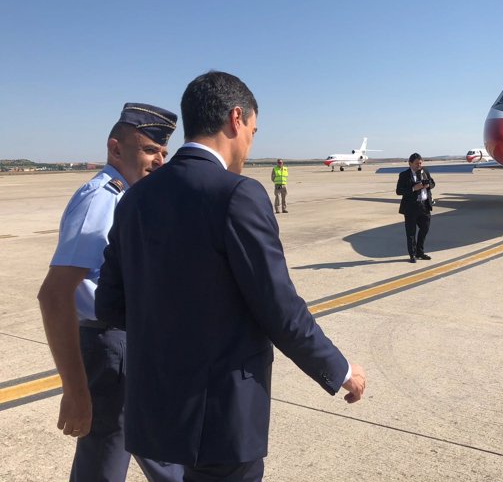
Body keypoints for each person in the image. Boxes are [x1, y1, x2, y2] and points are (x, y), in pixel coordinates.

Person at [95, 71, 366, 482]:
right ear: (235, 119)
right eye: (253, 131)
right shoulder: (237, 193)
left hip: (159, 410)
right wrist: (340, 369)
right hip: (222, 416)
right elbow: (279, 307)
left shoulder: (133, 199)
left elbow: (110, 304)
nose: (250, 143)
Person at [37, 103, 183, 482]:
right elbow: (54, 295)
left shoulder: (129, 197)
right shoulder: (102, 199)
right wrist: (75, 390)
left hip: (131, 345)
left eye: (164, 153)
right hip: (110, 349)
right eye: (150, 150)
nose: (159, 161)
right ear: (116, 149)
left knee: (160, 450)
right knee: (106, 461)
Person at [396, 153, 436, 263]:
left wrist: (429, 185)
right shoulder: (404, 175)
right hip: (411, 208)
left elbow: (433, 183)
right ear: (410, 164)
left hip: (424, 206)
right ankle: (412, 255)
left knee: (425, 229)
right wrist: (414, 188)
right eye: (417, 163)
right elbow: (399, 191)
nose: (419, 165)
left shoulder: (425, 171)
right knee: (411, 233)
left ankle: (420, 252)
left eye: (420, 163)